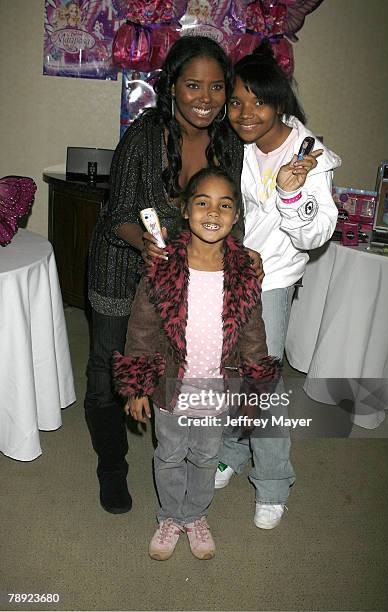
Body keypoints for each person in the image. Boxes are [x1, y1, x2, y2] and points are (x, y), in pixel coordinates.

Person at [85, 35, 247, 515]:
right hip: (123, 265)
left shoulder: (227, 142)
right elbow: (117, 216)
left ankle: (179, 458)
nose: (205, 98)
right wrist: (149, 245)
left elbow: (228, 211)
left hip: (183, 278)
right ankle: (111, 466)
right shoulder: (144, 135)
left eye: (217, 87)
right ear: (171, 86)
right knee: (107, 370)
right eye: (193, 84)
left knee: (177, 368)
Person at [113, 167, 279, 560]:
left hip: (218, 390)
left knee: (206, 456)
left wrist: (256, 391)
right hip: (172, 387)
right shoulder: (164, 266)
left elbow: (254, 333)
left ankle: (196, 515)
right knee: (170, 454)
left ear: (236, 216)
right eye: (202, 202)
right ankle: (171, 516)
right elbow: (141, 330)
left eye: (225, 205)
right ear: (186, 210)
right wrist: (137, 387)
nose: (213, 211)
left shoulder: (243, 273)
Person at [214, 41, 342, 529]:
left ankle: (273, 482)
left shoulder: (309, 157)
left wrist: (290, 192)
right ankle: (232, 448)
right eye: (237, 102)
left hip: (271, 283)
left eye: (258, 103)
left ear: (279, 103)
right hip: (226, 273)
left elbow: (314, 235)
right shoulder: (235, 144)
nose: (245, 114)